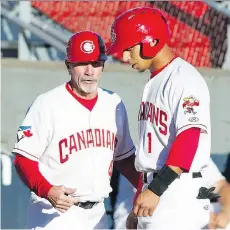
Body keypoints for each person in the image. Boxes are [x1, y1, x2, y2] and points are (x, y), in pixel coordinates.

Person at [12, 30, 139, 230]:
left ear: (103, 66)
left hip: (97, 214)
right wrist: (47, 190)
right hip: (54, 213)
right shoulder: (47, 104)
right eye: (82, 63)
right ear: (69, 66)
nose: (90, 71)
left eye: (96, 64)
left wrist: (146, 190)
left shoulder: (113, 103)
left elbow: (124, 158)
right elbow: (23, 159)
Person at [108, 6, 215, 230]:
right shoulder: (156, 79)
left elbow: (189, 138)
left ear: (150, 42)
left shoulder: (184, 78)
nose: (125, 57)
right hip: (157, 190)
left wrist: (155, 190)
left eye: (129, 49)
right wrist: (140, 198)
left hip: (177, 193)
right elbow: (151, 152)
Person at [112, 158, 230, 229]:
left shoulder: (195, 151)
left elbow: (222, 186)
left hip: (181, 217)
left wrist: (225, 213)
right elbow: (158, 202)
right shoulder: (146, 154)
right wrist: (200, 215)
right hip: (140, 222)